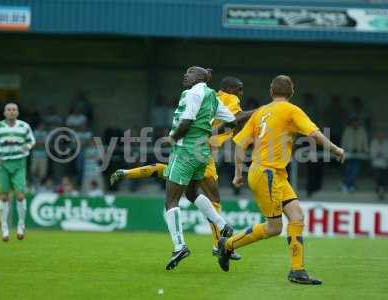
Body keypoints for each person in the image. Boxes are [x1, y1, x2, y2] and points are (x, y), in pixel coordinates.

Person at [217, 75, 345, 285]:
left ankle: (297, 270)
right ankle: (228, 244)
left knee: (296, 216)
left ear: (271, 92)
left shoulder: (260, 112)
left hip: (272, 174)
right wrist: (336, 149)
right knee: (274, 227)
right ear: (291, 92)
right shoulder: (291, 110)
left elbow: (240, 144)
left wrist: (238, 173)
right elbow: (314, 133)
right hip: (267, 173)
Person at [110, 75, 255, 260]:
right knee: (212, 196)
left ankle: (126, 173)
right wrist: (258, 111)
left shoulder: (209, 95)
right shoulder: (229, 98)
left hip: (190, 148)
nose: (241, 93)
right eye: (240, 89)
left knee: (173, 175)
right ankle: (219, 243)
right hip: (200, 150)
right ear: (232, 89)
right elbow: (236, 118)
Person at [0, 103, 36, 241]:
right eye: (9, 110)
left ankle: (21, 225)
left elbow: (31, 140)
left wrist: (27, 145)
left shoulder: (24, 126)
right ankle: (4, 228)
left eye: (14, 109)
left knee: (20, 196)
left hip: (19, 163)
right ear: (4, 113)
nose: (11, 112)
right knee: (4, 197)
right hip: (3, 164)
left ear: (17, 112)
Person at [341, 115, 368, 192]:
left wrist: (365, 150)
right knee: (348, 169)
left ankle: (349, 185)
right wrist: (342, 150)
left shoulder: (362, 130)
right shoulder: (347, 130)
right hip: (348, 152)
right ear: (351, 122)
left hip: (358, 152)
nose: (355, 123)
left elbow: (364, 141)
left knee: (355, 170)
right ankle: (348, 185)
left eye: (356, 122)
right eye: (353, 122)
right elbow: (344, 141)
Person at [370, 130, 388, 200]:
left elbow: (386, 153)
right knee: (377, 177)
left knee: (384, 178)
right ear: (377, 136)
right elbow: (372, 153)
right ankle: (378, 190)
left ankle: (383, 190)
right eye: (379, 135)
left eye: (382, 135)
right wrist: (378, 154)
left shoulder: (386, 143)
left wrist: (381, 154)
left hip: (384, 164)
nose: (380, 136)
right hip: (376, 164)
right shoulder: (373, 142)